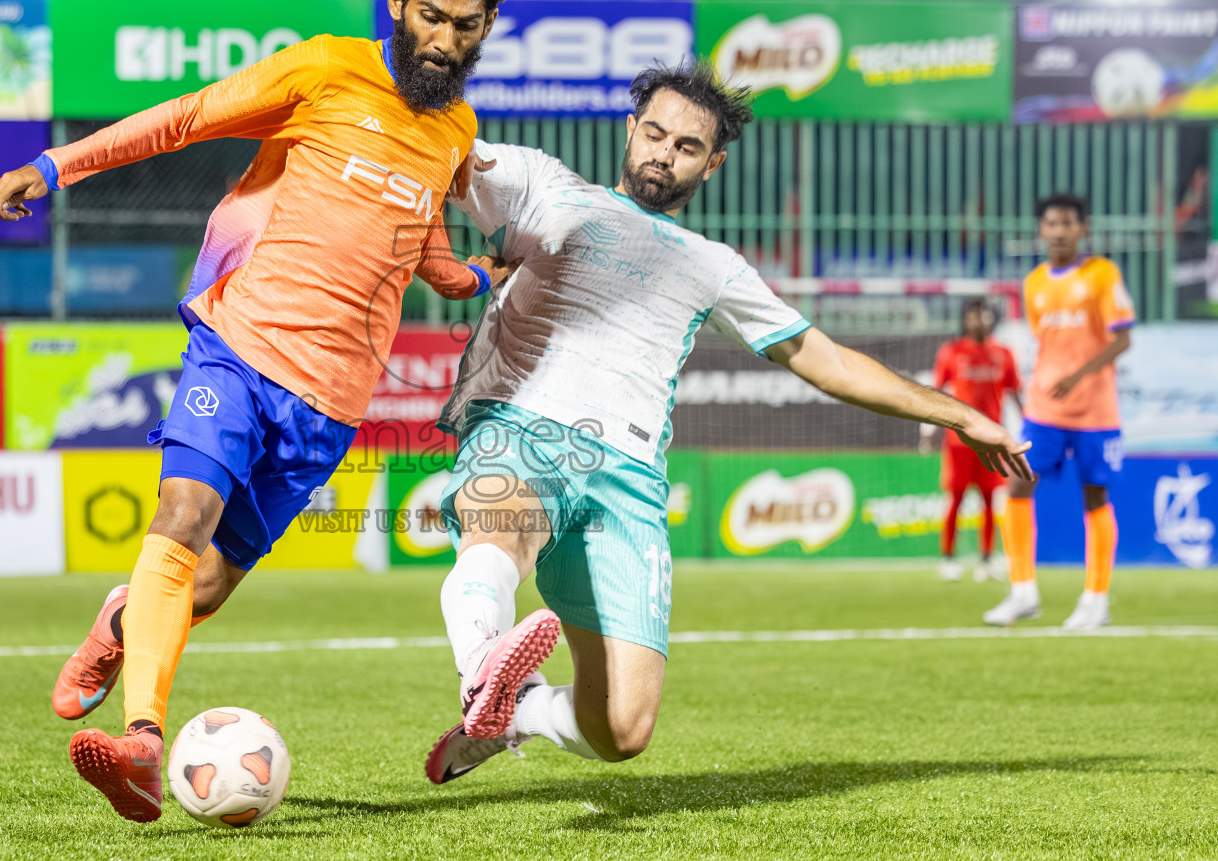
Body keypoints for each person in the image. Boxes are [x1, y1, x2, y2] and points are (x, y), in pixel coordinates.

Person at [0, 0, 516, 823]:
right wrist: (55, 164)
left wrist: (480, 277)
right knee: (182, 515)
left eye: (468, 26)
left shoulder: (454, 130)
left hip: (333, 398)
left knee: (209, 586)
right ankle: (143, 743)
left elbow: (422, 248)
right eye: (433, 16)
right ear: (396, 2)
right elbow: (186, 118)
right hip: (239, 345)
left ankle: (120, 626)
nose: (447, 40)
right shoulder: (322, 69)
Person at [422, 61, 1032, 784]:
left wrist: (963, 414)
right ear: (630, 129)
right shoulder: (541, 186)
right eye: (654, 132)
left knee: (622, 728)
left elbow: (825, 359)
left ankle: (511, 712)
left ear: (712, 165)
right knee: (503, 534)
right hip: (520, 426)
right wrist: (432, 252)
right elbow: (427, 156)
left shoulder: (715, 265)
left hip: (628, 479)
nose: (663, 152)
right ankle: (486, 676)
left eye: (685, 146)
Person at [984, 193, 1134, 631]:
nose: (1059, 230)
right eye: (1051, 223)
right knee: (1016, 485)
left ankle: (1096, 599)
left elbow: (1122, 339)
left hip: (1096, 412)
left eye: (1068, 222)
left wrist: (1077, 376)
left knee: (1095, 497)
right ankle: (1022, 592)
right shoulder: (1034, 284)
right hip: (1044, 409)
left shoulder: (1103, 275)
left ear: (1083, 228)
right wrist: (1057, 381)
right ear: (1041, 230)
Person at [929, 299, 1021, 582]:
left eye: (983, 315)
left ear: (992, 319)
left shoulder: (1004, 353)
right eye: (973, 316)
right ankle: (947, 558)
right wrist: (929, 428)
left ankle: (986, 559)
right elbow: (936, 392)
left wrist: (1030, 424)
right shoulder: (952, 352)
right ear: (965, 320)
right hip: (960, 441)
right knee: (954, 500)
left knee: (991, 500)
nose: (978, 321)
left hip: (992, 440)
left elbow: (1016, 392)